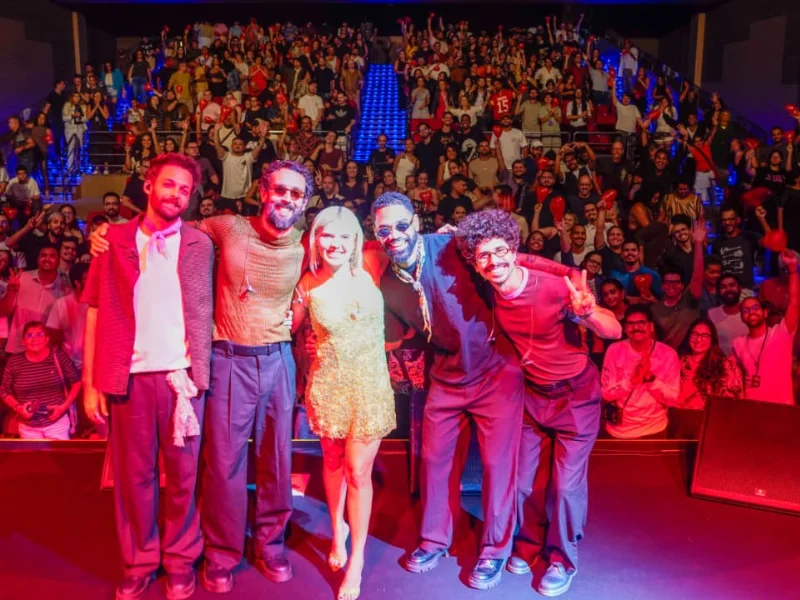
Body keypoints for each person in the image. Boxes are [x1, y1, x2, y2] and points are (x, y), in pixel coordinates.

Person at [371, 192, 573, 591]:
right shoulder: (389, 281)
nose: (393, 235)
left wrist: (571, 278)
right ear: (375, 234)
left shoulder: (451, 245)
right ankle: (434, 540)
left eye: (401, 225)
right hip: (447, 375)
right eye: (383, 230)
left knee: (498, 466)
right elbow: (395, 335)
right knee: (434, 460)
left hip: (496, 371)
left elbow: (516, 261)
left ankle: (494, 550)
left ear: (416, 222)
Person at [454, 209, 621, 597]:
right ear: (475, 264)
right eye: (483, 256)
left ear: (514, 250)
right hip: (533, 398)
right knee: (522, 483)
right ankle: (529, 545)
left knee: (564, 487)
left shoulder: (555, 288)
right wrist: (452, 236)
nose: (493, 262)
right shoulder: (488, 290)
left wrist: (588, 313)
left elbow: (613, 330)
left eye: (500, 251)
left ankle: (562, 560)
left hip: (576, 397)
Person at [82, 153, 214, 600]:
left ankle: (180, 561)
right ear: (148, 185)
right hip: (130, 381)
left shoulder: (199, 244)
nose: (176, 194)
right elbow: (94, 311)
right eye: (169, 184)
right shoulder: (113, 239)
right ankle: (139, 561)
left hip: (183, 381)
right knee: (134, 479)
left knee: (184, 478)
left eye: (185, 189)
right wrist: (91, 383)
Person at [291, 207, 395, 600]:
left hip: (369, 386)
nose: (335, 244)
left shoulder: (371, 263)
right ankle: (337, 529)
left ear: (355, 240)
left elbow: (417, 248)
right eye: (327, 235)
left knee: (357, 471)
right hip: (328, 385)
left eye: (344, 236)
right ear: (315, 239)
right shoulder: (307, 282)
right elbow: (287, 325)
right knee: (333, 461)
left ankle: (358, 561)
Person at [602, 305, 681, 439]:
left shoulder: (668, 354)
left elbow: (672, 399)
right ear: (625, 328)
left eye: (641, 323)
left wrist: (650, 379)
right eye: (631, 324)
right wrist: (632, 381)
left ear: (651, 326)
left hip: (654, 429)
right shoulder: (614, 350)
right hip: (619, 430)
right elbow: (606, 394)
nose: (636, 327)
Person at [732, 250, 799, 404]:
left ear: (765, 313)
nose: (751, 312)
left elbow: (794, 302)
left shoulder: (782, 333)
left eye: (755, 308)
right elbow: (733, 374)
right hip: (750, 407)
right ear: (742, 318)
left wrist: (793, 269)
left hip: (780, 408)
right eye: (746, 310)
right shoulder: (738, 343)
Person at [0, 321, 81, 440]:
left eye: (40, 334)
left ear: (47, 339)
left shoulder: (58, 356)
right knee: (33, 453)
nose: (34, 339)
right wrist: (19, 408)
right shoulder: (14, 362)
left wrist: (63, 407)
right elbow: (4, 391)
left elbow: (76, 382)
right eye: (29, 335)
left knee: (59, 452)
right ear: (23, 341)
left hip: (57, 424)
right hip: (28, 427)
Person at [0, 244, 71, 354]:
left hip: (46, 351)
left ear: (59, 260)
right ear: (38, 258)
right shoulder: (22, 278)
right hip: (17, 348)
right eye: (43, 255)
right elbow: (3, 311)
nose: (47, 259)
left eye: (52, 256)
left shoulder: (66, 288)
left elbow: (66, 326)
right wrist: (11, 291)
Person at [651, 222, 705, 349]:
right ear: (662, 286)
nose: (672, 286)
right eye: (668, 282)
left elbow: (698, 275)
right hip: (669, 356)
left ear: (682, 285)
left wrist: (698, 244)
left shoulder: (690, 300)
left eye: (676, 282)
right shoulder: (654, 310)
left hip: (692, 354)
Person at [676, 318, 743, 410]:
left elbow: (737, 400)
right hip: (681, 415)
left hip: (716, 416)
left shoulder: (726, 365)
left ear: (712, 339)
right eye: (694, 334)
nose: (698, 339)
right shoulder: (678, 362)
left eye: (704, 336)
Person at [708, 273, 750, 355]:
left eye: (732, 285)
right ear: (719, 291)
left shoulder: (750, 312)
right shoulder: (711, 314)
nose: (728, 289)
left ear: (740, 288)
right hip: (722, 361)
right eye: (723, 287)